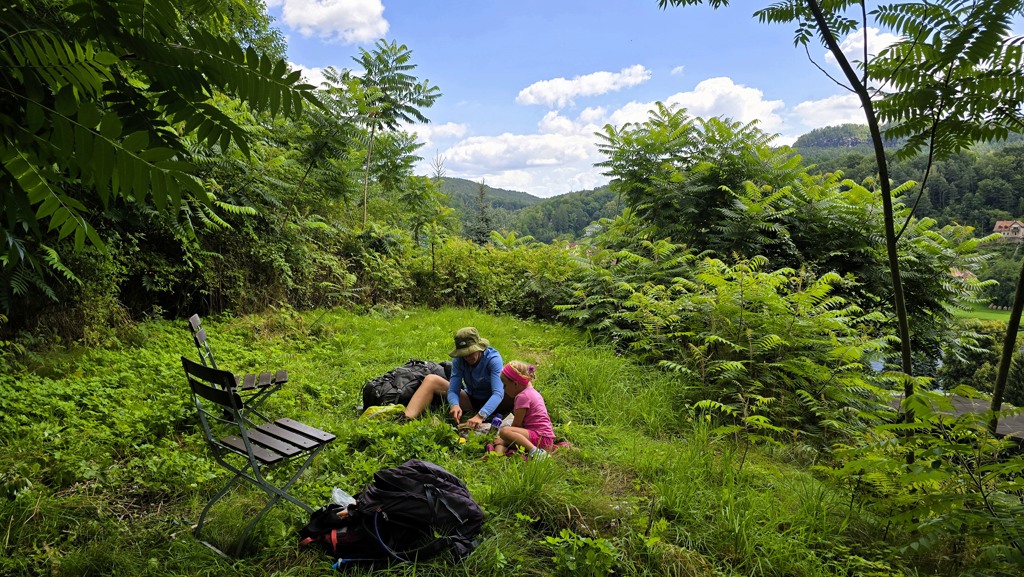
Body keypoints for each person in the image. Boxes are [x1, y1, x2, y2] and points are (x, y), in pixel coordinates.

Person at [402, 327, 508, 428]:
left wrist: (480, 415)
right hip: (472, 399)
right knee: (431, 379)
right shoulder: (459, 360)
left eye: (470, 352)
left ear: (479, 347)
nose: (467, 357)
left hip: (497, 402)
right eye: (463, 354)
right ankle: (405, 419)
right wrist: (454, 404)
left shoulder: (493, 359)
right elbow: (453, 390)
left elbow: (498, 393)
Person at [489, 361, 554, 459]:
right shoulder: (531, 392)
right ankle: (497, 458)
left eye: (505, 385)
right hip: (542, 438)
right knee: (504, 437)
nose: (504, 389)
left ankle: (537, 453)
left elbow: (516, 425)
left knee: (504, 432)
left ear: (515, 384)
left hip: (541, 439)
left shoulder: (522, 396)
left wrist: (504, 439)